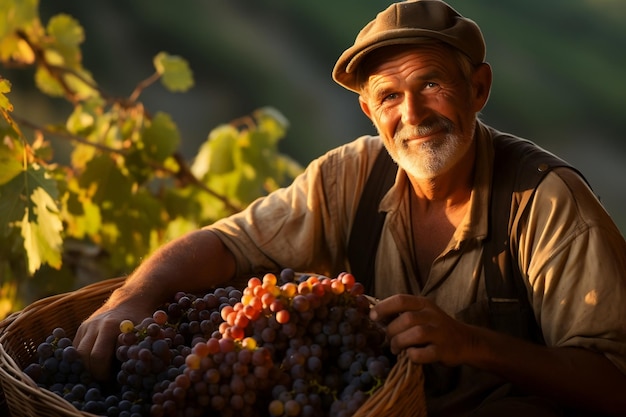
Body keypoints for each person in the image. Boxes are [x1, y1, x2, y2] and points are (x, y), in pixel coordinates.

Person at [74, 0, 626, 415]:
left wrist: (473, 345)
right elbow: (228, 242)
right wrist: (132, 297)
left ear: (479, 88)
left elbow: (614, 383)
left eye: (431, 84)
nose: (412, 113)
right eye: (389, 95)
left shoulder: (548, 203)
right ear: (368, 108)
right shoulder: (349, 175)